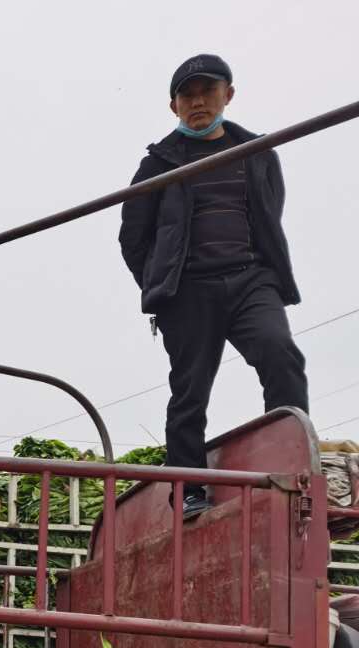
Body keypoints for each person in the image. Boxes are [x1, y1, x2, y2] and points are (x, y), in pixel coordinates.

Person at [118, 54, 307, 519]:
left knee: (279, 351)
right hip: (189, 290)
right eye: (187, 95)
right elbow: (132, 237)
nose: (198, 102)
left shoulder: (259, 153)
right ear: (173, 106)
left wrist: (261, 268)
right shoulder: (157, 165)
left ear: (229, 94)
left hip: (249, 279)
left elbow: (268, 214)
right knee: (190, 391)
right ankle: (188, 487)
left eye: (207, 91)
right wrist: (162, 282)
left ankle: (294, 465)